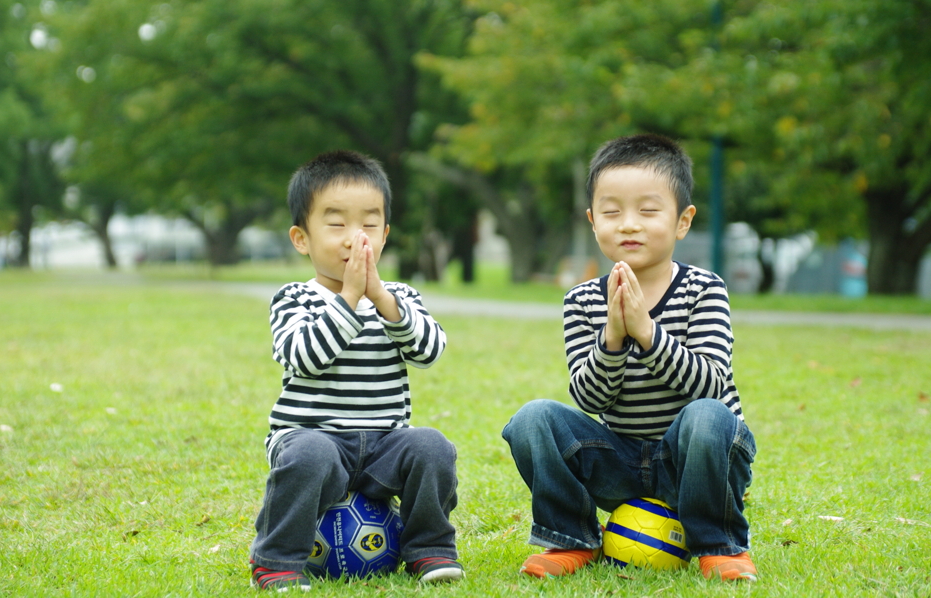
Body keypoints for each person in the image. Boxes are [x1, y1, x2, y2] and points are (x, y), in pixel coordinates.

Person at [502, 133, 758, 582]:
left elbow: (710, 385)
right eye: (612, 212)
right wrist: (614, 338)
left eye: (648, 210)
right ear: (592, 220)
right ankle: (571, 537)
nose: (629, 224)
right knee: (533, 417)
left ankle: (719, 544)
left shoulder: (704, 290)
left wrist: (647, 332)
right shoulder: (583, 301)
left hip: (693, 462)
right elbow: (589, 399)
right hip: (622, 460)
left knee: (708, 416)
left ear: (682, 221)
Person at [249, 150, 464, 590]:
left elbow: (429, 350)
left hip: (384, 442)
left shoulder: (399, 296)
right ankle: (275, 559)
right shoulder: (294, 298)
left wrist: (381, 299)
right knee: (309, 456)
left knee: (431, 446)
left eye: (368, 224)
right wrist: (348, 300)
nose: (355, 238)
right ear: (301, 238)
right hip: (312, 437)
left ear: (384, 234)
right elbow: (303, 357)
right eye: (336, 224)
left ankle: (429, 549)